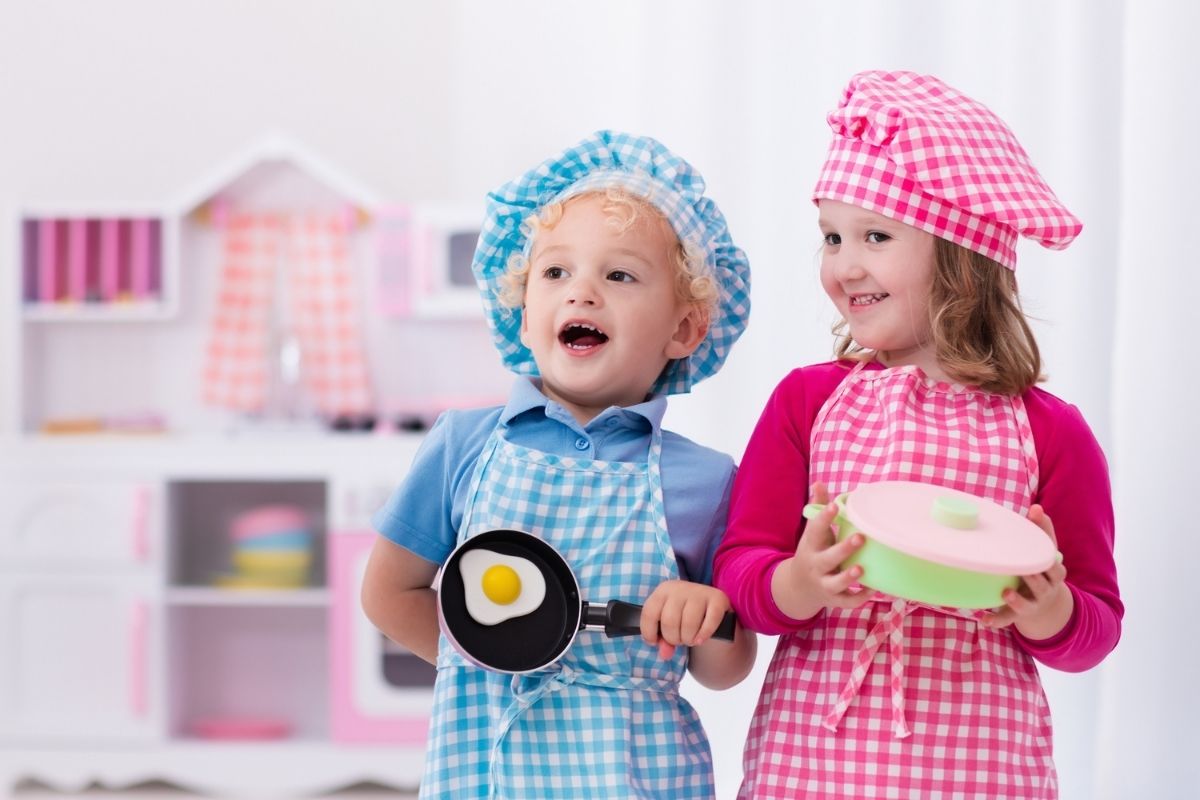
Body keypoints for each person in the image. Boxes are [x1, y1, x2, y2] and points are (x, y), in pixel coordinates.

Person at [713, 71, 1123, 799]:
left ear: (963, 256)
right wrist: (799, 584)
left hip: (981, 774)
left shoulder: (1051, 432)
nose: (844, 265)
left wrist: (1051, 610)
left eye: (875, 235)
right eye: (831, 237)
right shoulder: (810, 402)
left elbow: (1096, 623)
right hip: (813, 767)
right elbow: (742, 571)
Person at [362, 130, 757, 799]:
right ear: (521, 312)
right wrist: (486, 656)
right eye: (555, 273)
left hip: (638, 773)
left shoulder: (708, 480)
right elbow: (387, 592)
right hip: (488, 768)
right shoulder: (465, 444)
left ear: (684, 329)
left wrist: (709, 614)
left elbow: (726, 667)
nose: (581, 293)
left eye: (620, 275)